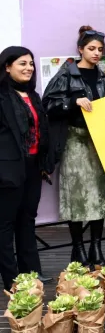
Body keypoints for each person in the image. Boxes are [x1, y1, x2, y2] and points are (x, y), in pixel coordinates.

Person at [42, 26, 105, 267]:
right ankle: (78, 248)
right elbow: (48, 104)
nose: (96, 53)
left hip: (99, 142)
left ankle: (96, 247)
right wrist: (73, 101)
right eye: (91, 48)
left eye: (100, 50)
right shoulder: (66, 74)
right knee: (76, 196)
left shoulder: (103, 76)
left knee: (99, 196)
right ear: (80, 49)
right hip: (74, 140)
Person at [0, 46, 52, 290]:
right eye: (22, 63)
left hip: (32, 167)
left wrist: (44, 162)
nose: (29, 68)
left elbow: (42, 131)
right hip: (7, 169)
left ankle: (31, 273)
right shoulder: (1, 96)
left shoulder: (33, 96)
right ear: (7, 67)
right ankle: (11, 279)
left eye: (30, 63)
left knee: (27, 220)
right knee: (5, 225)